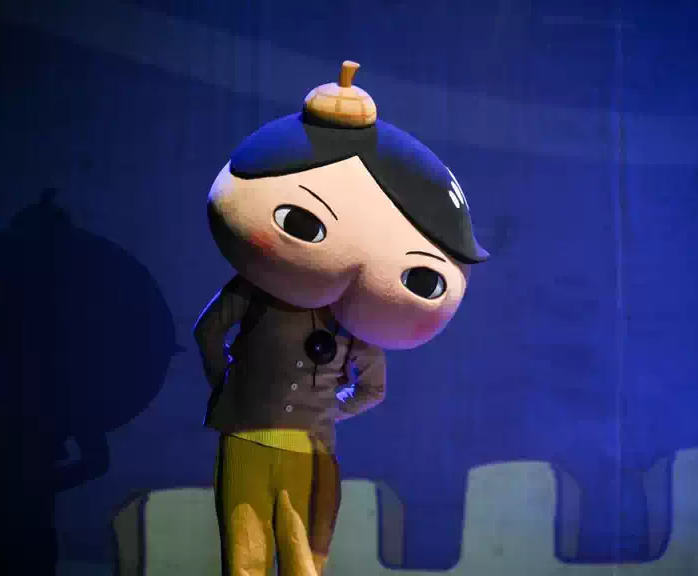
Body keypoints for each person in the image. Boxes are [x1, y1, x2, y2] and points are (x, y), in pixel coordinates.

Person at [194, 60, 489, 576]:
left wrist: (331, 408)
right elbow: (209, 332)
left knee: (304, 559)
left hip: (312, 449)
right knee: (244, 557)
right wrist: (229, 385)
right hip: (244, 436)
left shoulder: (351, 324)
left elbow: (373, 387)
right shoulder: (254, 293)